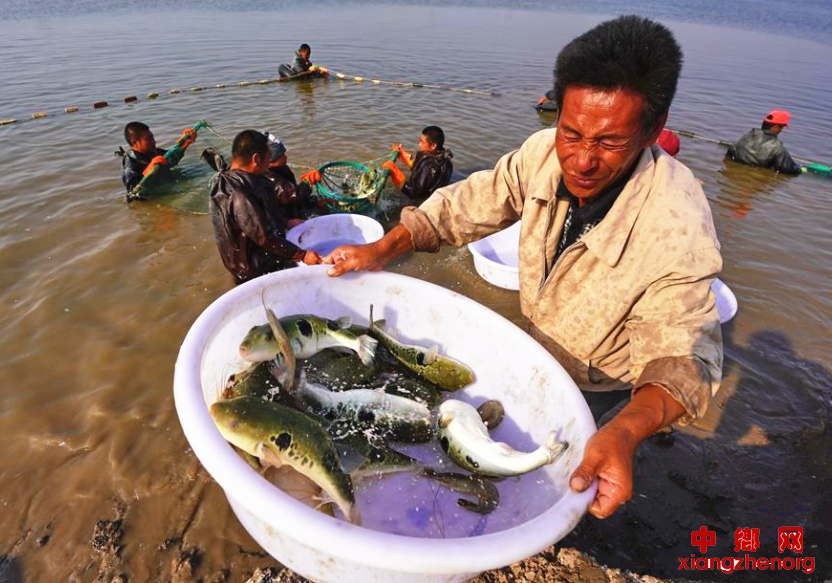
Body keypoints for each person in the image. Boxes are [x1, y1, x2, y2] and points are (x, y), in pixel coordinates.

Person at [324, 16, 723, 520]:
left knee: (569, 480)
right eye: (571, 132)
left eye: (608, 143)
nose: (581, 160)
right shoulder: (542, 155)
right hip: (535, 339)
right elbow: (469, 202)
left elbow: (683, 356)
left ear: (653, 128)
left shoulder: (677, 225)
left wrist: (625, 430)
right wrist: (383, 248)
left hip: (601, 382)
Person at [208, 130, 321, 284]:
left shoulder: (239, 179)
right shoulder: (239, 194)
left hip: (255, 257)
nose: (269, 164)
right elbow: (264, 237)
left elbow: (253, 219)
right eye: (268, 158)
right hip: (253, 270)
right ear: (256, 159)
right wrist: (302, 255)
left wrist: (286, 222)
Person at [262, 132, 324, 220]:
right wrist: (307, 182)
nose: (285, 157)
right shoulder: (269, 179)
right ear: (269, 160)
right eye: (281, 156)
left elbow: (293, 194)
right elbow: (294, 197)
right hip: (286, 220)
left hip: (294, 208)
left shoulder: (281, 168)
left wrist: (313, 202)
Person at [383, 126, 454, 200]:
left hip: (425, 202)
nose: (419, 144)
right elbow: (420, 171)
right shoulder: (445, 159)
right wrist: (403, 157)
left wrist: (395, 172)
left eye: (422, 142)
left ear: (433, 146)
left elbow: (413, 193)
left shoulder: (430, 166)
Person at [726, 110, 802, 175]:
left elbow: (731, 149)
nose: (781, 130)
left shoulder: (747, 136)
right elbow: (786, 169)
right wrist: (799, 169)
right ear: (775, 127)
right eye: (781, 127)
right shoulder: (777, 147)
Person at [121, 122, 172, 192]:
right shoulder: (131, 161)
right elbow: (131, 190)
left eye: (152, 137)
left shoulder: (155, 152)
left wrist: (183, 142)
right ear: (135, 143)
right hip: (155, 195)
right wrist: (148, 171)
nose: (154, 141)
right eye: (149, 139)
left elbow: (172, 156)